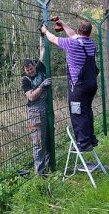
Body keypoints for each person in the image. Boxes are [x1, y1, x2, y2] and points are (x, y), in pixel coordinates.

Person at [41, 18, 99, 152]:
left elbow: (53, 39)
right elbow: (74, 35)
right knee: (87, 110)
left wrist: (45, 31)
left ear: (79, 30)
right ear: (89, 33)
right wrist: (63, 24)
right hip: (91, 83)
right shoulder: (91, 43)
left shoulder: (71, 43)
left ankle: (83, 144)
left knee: (77, 112)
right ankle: (91, 139)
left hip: (79, 86)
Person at [21, 36, 52, 175]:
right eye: (27, 70)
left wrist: (41, 35)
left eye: (31, 68)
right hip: (35, 113)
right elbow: (31, 96)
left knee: (48, 140)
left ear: (34, 65)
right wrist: (42, 85)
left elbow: (43, 50)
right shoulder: (25, 80)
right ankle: (40, 174)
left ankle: (49, 167)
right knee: (38, 143)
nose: (30, 71)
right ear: (24, 71)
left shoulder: (40, 68)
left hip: (47, 109)